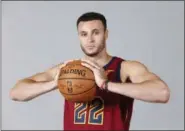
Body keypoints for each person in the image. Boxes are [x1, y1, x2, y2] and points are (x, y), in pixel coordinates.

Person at [10, 12, 170, 130]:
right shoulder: (67, 70)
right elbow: (16, 92)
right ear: (78, 36)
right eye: (84, 34)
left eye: (96, 32)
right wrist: (53, 84)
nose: (90, 39)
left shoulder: (125, 68)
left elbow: (162, 93)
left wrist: (107, 85)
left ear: (106, 34)